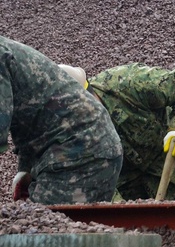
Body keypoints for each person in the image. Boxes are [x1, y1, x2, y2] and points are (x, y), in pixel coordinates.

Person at [1, 37, 122, 204]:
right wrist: (25, 167)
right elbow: (30, 118)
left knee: (41, 224)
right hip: (68, 148)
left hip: (81, 150)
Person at [60, 63, 175, 201]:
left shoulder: (129, 82)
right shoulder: (70, 131)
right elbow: (93, 176)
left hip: (170, 154)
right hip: (124, 177)